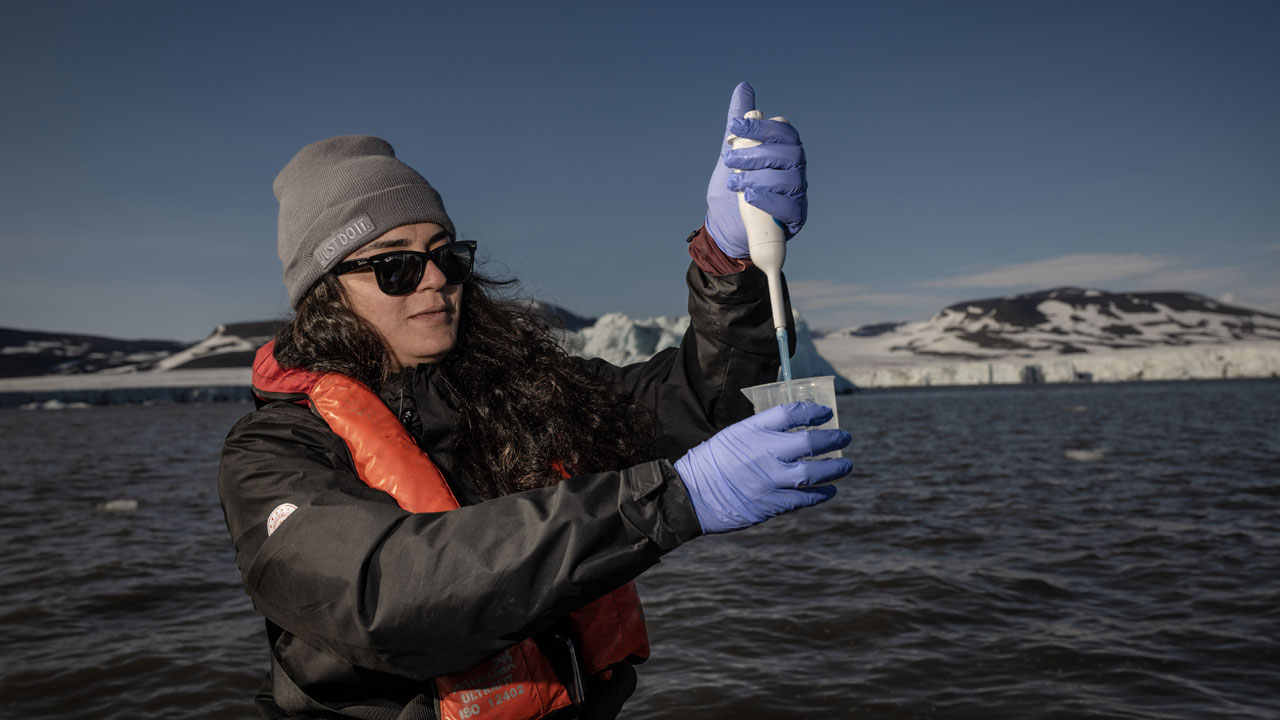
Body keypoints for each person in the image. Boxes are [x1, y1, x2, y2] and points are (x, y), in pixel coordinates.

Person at [218, 82, 851, 720]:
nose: (436, 279)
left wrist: (729, 262)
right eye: (395, 266)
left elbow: (697, 401)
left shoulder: (521, 393)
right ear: (326, 294)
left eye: (446, 257)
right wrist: (675, 500)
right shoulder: (272, 455)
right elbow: (385, 597)